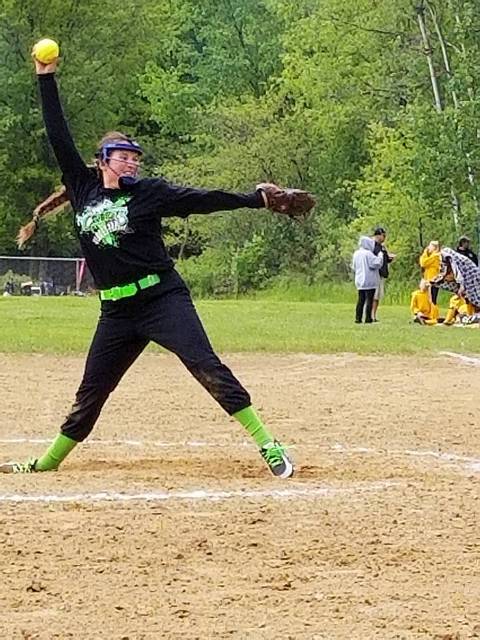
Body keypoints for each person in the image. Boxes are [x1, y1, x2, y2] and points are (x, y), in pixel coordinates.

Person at [0, 51, 316, 478]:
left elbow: (201, 200)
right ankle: (47, 463)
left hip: (161, 298)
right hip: (116, 311)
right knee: (91, 392)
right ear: (103, 160)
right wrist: (45, 76)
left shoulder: (149, 192)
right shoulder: (81, 186)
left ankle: (268, 444)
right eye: (123, 156)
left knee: (206, 366)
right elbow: (58, 133)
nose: (132, 162)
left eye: (135, 157)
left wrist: (254, 200)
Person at [352, 236, 384, 323]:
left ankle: (358, 318)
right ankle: (368, 318)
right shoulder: (368, 254)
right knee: (369, 299)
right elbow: (376, 263)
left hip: (359, 280)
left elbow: (354, 267)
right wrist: (380, 256)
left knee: (361, 299)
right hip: (369, 280)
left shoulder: (356, 253)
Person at [372, 227, 395, 322]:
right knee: (373, 296)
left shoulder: (382, 247)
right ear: (378, 235)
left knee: (377, 296)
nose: (384, 238)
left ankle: (374, 315)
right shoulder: (373, 246)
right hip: (375, 274)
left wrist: (389, 258)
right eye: (383, 236)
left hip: (381, 274)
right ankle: (370, 315)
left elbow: (384, 259)